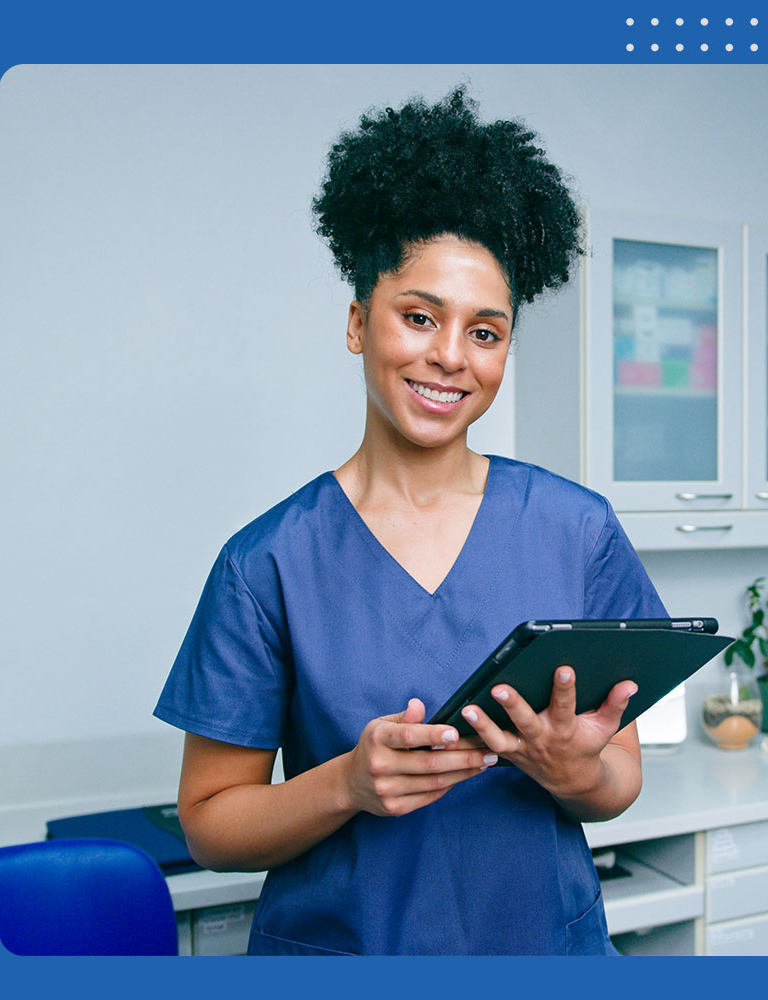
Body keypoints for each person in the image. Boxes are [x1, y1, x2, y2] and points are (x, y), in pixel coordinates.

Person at [154, 87, 667, 956]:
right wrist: (348, 784)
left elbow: (620, 776)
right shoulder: (268, 562)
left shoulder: (577, 531)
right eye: (419, 317)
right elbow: (208, 823)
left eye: (486, 332)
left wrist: (575, 770)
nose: (449, 357)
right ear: (359, 323)